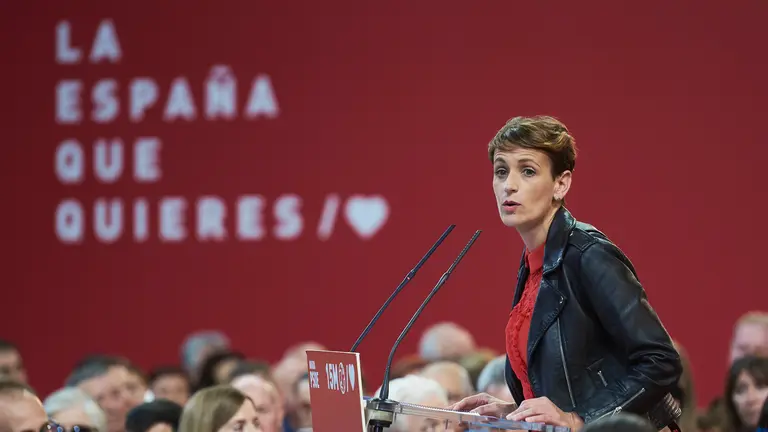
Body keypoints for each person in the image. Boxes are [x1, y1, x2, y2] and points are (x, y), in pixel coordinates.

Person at [451, 116, 682, 430]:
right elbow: (565, 388)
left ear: (561, 184)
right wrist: (515, 411)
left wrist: (581, 419)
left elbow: (660, 361)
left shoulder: (588, 255)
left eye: (527, 171)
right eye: (501, 171)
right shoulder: (535, 262)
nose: (509, 185)